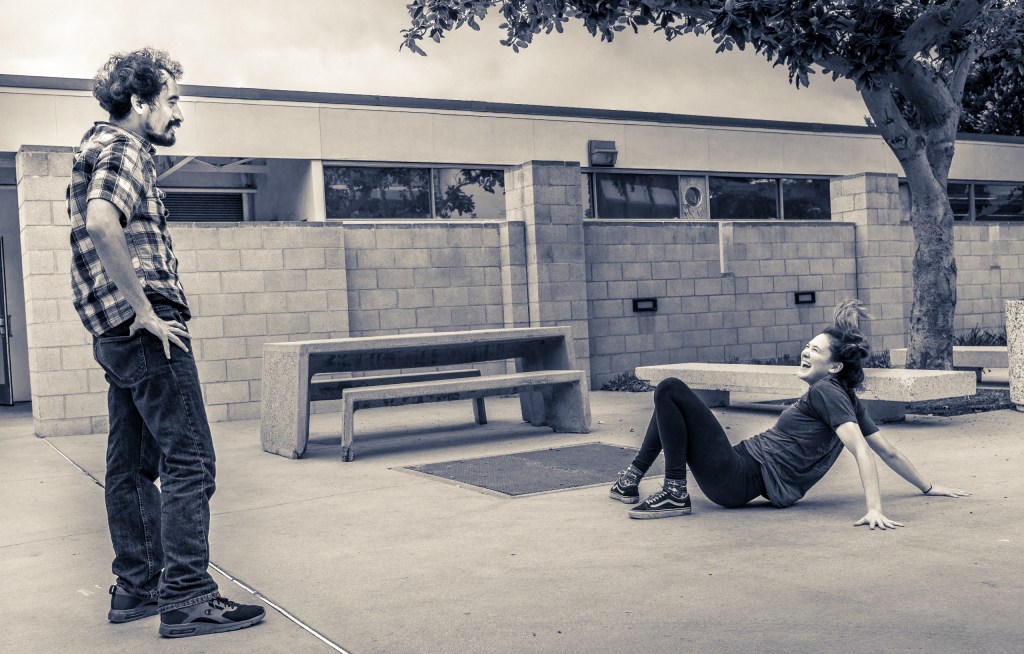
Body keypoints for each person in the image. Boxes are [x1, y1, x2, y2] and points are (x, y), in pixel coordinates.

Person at [67, 48, 265, 638]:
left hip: (111, 331)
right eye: (172, 101)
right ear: (140, 102)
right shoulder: (126, 147)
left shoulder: (92, 146)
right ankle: (186, 595)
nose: (179, 113)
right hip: (144, 329)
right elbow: (103, 222)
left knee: (130, 463)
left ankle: (138, 585)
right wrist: (147, 310)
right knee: (191, 459)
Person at [610, 300, 970, 525]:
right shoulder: (843, 396)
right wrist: (927, 486)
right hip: (736, 473)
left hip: (737, 475)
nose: (805, 351)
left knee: (670, 388)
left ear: (833, 368)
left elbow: (862, 449)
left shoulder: (829, 393)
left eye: (814, 350)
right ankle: (633, 479)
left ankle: (673, 489)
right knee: (671, 402)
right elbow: (886, 449)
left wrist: (875, 508)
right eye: (808, 346)